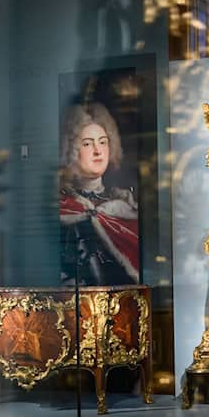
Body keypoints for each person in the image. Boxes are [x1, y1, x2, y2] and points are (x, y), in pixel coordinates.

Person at [59, 102, 140, 285]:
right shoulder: (64, 205)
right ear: (71, 149)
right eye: (87, 144)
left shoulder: (126, 204)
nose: (98, 151)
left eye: (103, 142)